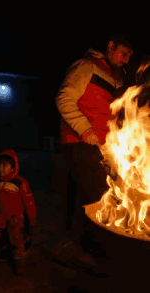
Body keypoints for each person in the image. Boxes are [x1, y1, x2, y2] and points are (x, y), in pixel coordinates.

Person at [55, 34, 133, 263]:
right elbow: (64, 98)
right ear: (110, 46)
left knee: (89, 194)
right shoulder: (86, 66)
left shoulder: (116, 77)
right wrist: (86, 131)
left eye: (129, 56)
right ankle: (92, 252)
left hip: (103, 146)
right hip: (80, 141)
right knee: (97, 196)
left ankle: (76, 243)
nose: (126, 60)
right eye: (124, 53)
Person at [0, 149, 37, 275]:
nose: (1, 168)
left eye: (5, 165)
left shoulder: (20, 183)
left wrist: (32, 218)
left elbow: (29, 201)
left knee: (17, 233)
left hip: (15, 215)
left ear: (13, 167)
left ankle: (20, 259)